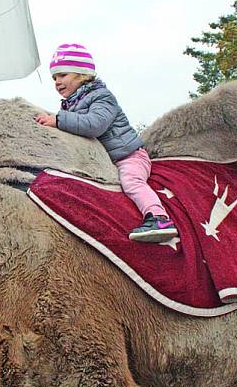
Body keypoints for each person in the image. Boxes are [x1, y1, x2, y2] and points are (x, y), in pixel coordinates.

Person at [35, 43, 177, 243]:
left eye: (63, 75)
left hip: (128, 156)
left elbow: (95, 125)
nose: (57, 82)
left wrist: (58, 121)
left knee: (131, 182)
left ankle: (159, 218)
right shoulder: (71, 105)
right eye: (54, 78)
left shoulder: (101, 97)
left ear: (82, 74)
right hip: (104, 162)